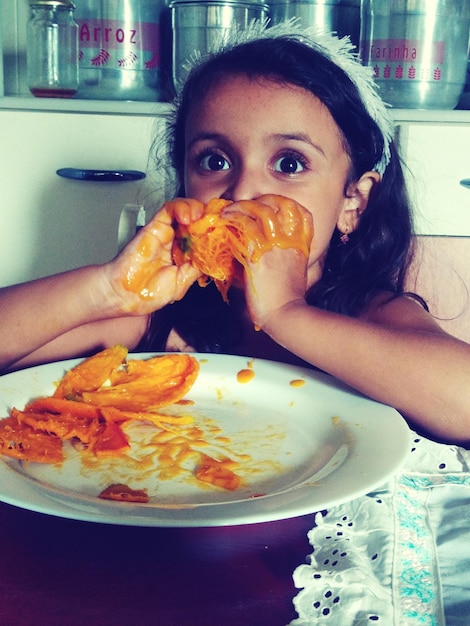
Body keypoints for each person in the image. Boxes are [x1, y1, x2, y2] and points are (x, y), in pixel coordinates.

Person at [1, 24, 469, 445]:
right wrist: (108, 290)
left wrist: (288, 314)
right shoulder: (163, 321)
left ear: (354, 203)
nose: (242, 191)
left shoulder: (375, 315)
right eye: (214, 160)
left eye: (289, 163)